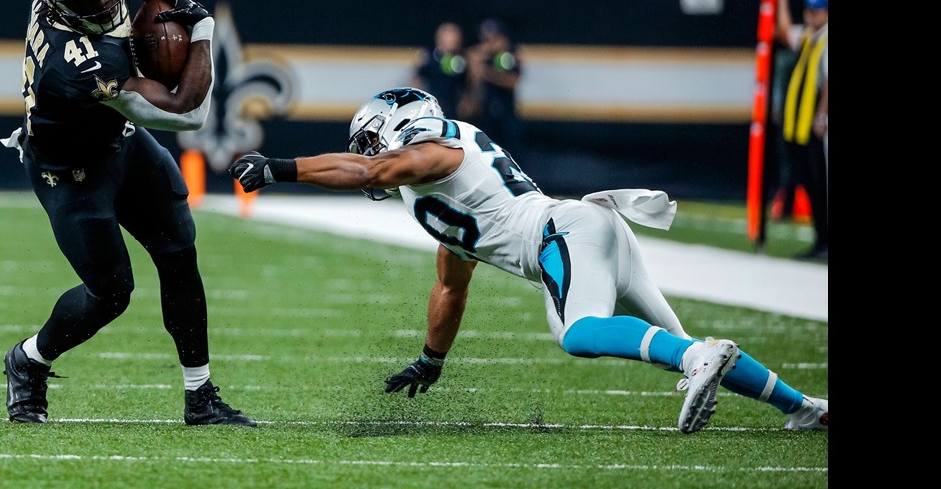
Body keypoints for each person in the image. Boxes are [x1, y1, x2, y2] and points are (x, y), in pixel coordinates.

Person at [228, 87, 828, 434]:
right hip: (588, 230)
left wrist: (280, 168)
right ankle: (803, 408)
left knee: (579, 333)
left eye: (370, 139)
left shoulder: (435, 149)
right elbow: (451, 283)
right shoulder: (437, 194)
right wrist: (431, 359)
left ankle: (701, 356)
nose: (367, 155)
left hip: (562, 234)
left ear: (395, 127)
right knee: (681, 347)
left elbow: (369, 169)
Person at [0, 0, 255, 427]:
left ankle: (200, 396)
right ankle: (28, 359)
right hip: (69, 172)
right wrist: (203, 29)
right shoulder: (84, 67)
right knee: (111, 293)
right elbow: (190, 112)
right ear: (64, 2)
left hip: (119, 142)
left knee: (179, 250)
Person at [776, 0, 828, 261]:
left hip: (816, 127)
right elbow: (785, 32)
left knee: (820, 184)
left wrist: (821, 115)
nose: (810, 17)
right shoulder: (810, 37)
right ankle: (821, 238)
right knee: (809, 182)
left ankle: (824, 239)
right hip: (800, 125)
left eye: (816, 11)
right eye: (808, 11)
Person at [462, 19, 523, 153]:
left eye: (493, 38)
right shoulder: (480, 57)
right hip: (485, 112)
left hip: (506, 112)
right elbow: (472, 84)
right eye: (485, 40)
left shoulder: (509, 55)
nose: (489, 43)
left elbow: (512, 81)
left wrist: (486, 73)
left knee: (511, 151)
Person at [410, 22, 468, 120]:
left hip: (454, 109)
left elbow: (467, 85)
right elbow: (417, 79)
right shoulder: (430, 57)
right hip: (432, 106)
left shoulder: (462, 59)